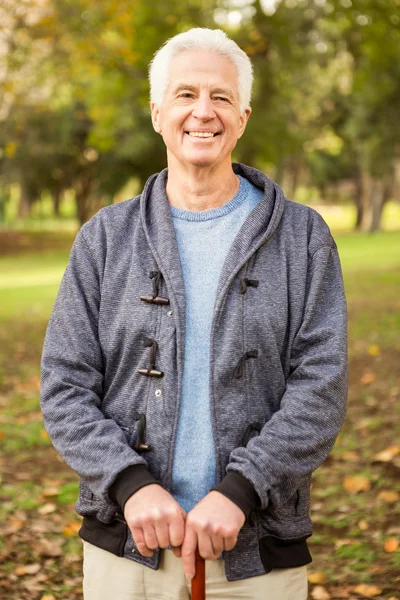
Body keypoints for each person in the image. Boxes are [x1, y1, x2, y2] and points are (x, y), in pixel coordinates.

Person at [40, 27, 347, 600]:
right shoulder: (104, 239)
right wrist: (131, 485)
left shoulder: (304, 238)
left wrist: (241, 490)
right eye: (185, 95)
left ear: (244, 116)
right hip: (129, 546)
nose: (202, 112)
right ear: (158, 113)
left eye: (221, 97)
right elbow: (64, 385)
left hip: (258, 551)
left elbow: (321, 387)